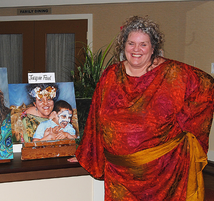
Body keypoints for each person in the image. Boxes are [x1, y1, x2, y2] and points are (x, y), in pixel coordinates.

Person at [72, 16, 214, 200]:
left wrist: (184, 125)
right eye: (131, 43)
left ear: (153, 48)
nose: (136, 50)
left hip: (162, 174)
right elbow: (95, 119)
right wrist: (86, 152)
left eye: (143, 44)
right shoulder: (110, 74)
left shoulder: (174, 74)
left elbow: (206, 86)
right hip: (119, 177)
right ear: (123, 46)